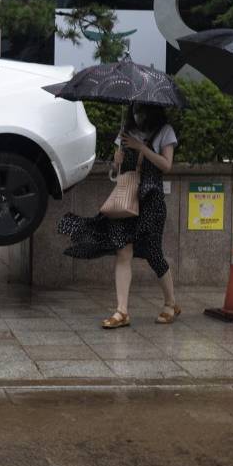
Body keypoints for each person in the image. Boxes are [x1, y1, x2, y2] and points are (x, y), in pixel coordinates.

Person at [59, 103, 179, 328]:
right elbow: (116, 170)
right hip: (126, 200)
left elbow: (166, 165)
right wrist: (117, 161)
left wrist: (142, 148)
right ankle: (121, 311)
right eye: (135, 108)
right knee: (123, 251)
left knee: (153, 253)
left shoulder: (165, 131)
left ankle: (170, 303)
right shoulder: (126, 131)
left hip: (151, 201)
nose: (138, 113)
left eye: (142, 108)